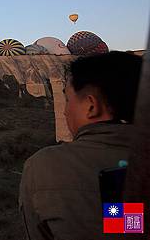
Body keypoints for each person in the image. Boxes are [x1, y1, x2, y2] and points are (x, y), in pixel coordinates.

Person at [19, 51, 143, 240]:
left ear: (91, 106)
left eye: (68, 100)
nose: (65, 111)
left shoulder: (45, 166)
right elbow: (130, 226)